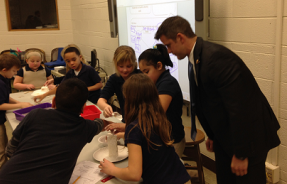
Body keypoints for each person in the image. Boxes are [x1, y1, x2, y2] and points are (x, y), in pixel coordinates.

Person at [155, 15, 281, 184]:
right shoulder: (197, 57)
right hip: (227, 136)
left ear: (180, 37)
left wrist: (241, 153)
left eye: (168, 45)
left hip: (249, 139)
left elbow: (240, 108)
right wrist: (213, 135)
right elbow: (209, 101)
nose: (168, 51)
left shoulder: (215, 58)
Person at [0, 78, 111, 184]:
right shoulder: (84, 127)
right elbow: (100, 124)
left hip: (6, 178)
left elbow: (10, 150)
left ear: (54, 102)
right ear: (83, 107)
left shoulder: (35, 114)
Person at [99, 74, 190, 184]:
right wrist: (122, 135)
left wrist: (112, 170)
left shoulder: (134, 129)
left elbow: (134, 174)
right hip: (182, 178)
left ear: (129, 100)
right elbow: (147, 139)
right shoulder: (157, 119)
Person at [0, 54, 33, 183]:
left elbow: (5, 97)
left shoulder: (4, 79)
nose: (14, 74)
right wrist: (19, 105)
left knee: (2, 148)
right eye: (13, 71)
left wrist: (18, 103)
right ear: (4, 69)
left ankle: (4, 177)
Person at [138, 44, 185, 157]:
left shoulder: (167, 83)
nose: (144, 76)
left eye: (146, 71)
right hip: (162, 137)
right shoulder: (156, 82)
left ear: (159, 66)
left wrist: (128, 128)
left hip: (172, 139)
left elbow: (156, 114)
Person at [34, 44, 103, 104]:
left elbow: (100, 84)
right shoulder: (70, 73)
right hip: (83, 101)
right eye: (68, 61)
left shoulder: (89, 69)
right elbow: (61, 87)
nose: (71, 63)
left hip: (94, 100)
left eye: (74, 59)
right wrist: (44, 95)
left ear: (80, 57)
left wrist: (86, 89)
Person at [97, 45, 140, 121]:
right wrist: (105, 107)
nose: (125, 70)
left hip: (141, 122)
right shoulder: (114, 79)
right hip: (126, 120)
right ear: (116, 64)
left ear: (134, 63)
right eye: (121, 66)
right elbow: (101, 100)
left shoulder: (141, 77)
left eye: (129, 66)